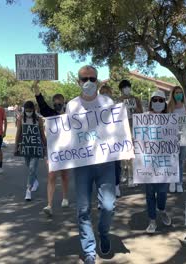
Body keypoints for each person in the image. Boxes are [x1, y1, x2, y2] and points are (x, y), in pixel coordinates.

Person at [66, 65, 115, 264]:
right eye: (84, 78)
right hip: (82, 164)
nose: (88, 82)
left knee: (108, 206)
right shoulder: (71, 106)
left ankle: (103, 233)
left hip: (105, 163)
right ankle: (88, 250)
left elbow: (118, 130)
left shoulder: (108, 102)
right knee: (83, 209)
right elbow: (65, 134)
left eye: (92, 78)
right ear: (78, 82)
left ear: (97, 80)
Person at [33, 81, 70, 216]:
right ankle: (49, 205)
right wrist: (36, 86)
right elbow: (41, 101)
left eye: (60, 103)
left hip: (67, 149)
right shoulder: (49, 113)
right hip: (53, 150)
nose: (57, 105)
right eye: (55, 103)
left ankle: (65, 197)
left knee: (65, 175)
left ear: (64, 102)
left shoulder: (70, 114)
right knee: (51, 176)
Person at [144, 90, 173, 233]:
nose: (157, 103)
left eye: (161, 100)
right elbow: (138, 137)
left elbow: (177, 137)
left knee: (162, 191)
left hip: (164, 162)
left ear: (165, 103)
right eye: (154, 100)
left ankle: (162, 209)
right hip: (148, 161)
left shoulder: (169, 118)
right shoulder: (143, 118)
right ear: (151, 102)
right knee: (149, 193)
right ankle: (152, 220)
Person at [15, 101, 46, 201]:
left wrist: (46, 146)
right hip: (26, 147)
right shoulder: (20, 118)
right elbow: (18, 133)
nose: (28, 112)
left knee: (32, 168)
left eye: (30, 111)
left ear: (34, 110)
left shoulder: (39, 119)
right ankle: (35, 181)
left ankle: (28, 190)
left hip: (36, 147)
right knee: (29, 166)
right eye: (27, 110)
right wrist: (16, 147)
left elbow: (42, 133)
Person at [167, 86, 186, 193]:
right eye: (176, 93)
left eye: (180, 92)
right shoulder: (169, 107)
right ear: (173, 94)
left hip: (184, 137)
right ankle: (172, 181)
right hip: (171, 138)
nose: (178, 94)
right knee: (172, 160)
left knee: (181, 160)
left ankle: (179, 183)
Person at [118, 80, 143, 188]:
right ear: (121, 90)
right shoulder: (118, 100)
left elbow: (142, 112)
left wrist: (135, 107)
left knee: (132, 153)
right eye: (124, 87)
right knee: (124, 154)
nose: (126, 89)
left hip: (134, 127)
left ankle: (131, 177)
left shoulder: (136, 99)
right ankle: (124, 170)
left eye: (128, 86)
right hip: (122, 129)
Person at [99, 85, 121, 197]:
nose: (105, 95)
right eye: (103, 93)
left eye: (107, 92)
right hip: (101, 142)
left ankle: (116, 185)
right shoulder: (95, 108)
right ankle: (103, 192)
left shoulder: (116, 107)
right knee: (102, 167)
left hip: (115, 140)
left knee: (116, 165)